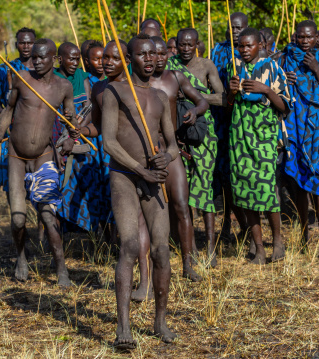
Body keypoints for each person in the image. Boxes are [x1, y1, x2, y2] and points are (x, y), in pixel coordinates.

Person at [102, 34, 178, 348]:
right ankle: (123, 329)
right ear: (130, 58)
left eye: (152, 54)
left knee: (161, 251)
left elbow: (173, 145)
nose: (148, 59)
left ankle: (159, 321)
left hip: (153, 177)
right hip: (124, 176)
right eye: (141, 54)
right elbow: (109, 142)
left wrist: (167, 157)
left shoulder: (159, 98)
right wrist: (139, 168)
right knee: (130, 247)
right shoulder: (114, 92)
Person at [0, 38, 76, 284]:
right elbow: (8, 109)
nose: (36, 61)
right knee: (17, 218)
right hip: (16, 156)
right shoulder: (22, 78)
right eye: (34, 57)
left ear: (54, 60)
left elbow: (72, 122)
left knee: (48, 216)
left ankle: (61, 270)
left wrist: (72, 127)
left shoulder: (63, 86)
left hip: (43, 156)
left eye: (42, 57)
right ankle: (21, 257)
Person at [134, 36, 208, 290]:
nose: (159, 58)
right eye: (154, 54)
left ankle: (187, 263)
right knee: (144, 215)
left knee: (181, 205)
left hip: (171, 150)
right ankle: (146, 272)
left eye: (164, 53)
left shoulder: (176, 78)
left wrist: (194, 112)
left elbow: (203, 101)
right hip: (144, 153)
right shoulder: (136, 82)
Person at [279, 20, 319, 259]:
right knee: (298, 182)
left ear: (317, 37)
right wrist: (285, 79)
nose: (304, 41)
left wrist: (315, 70)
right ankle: (305, 235)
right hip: (295, 126)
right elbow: (280, 88)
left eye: (309, 37)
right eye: (300, 37)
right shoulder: (287, 56)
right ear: (295, 36)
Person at [226, 28, 292, 264]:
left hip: (264, 138)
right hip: (240, 139)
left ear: (259, 46)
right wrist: (232, 92)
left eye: (249, 46)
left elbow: (285, 106)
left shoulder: (272, 67)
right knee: (244, 193)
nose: (244, 50)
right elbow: (230, 103)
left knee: (267, 192)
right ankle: (258, 247)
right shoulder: (234, 68)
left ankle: (277, 242)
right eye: (241, 46)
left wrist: (265, 89)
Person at [167, 28, 223, 267]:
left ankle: (211, 245)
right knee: (183, 190)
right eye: (181, 44)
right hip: (178, 129)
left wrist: (196, 97)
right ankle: (190, 245)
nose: (186, 48)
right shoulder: (169, 65)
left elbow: (221, 98)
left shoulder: (206, 65)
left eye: (190, 44)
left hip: (203, 131)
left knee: (204, 186)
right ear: (176, 45)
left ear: (197, 44)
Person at [52, 42, 113, 234]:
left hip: (83, 137)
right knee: (61, 187)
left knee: (92, 185)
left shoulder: (83, 77)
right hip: (59, 139)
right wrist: (65, 135)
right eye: (70, 58)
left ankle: (98, 234)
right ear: (59, 59)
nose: (74, 62)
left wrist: (77, 129)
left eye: (77, 59)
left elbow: (88, 107)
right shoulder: (53, 78)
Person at [210, 13, 249, 244]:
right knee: (223, 174)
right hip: (220, 117)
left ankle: (246, 225)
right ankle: (227, 222)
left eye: (238, 27)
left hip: (244, 119)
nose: (234, 31)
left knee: (240, 174)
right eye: (231, 27)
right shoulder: (218, 50)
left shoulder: (248, 51)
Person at [0, 28, 37, 196]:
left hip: (38, 131)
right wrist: (9, 116)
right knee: (14, 184)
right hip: (13, 132)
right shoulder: (7, 70)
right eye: (22, 43)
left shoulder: (42, 69)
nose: (26, 46)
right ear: (16, 44)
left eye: (30, 42)